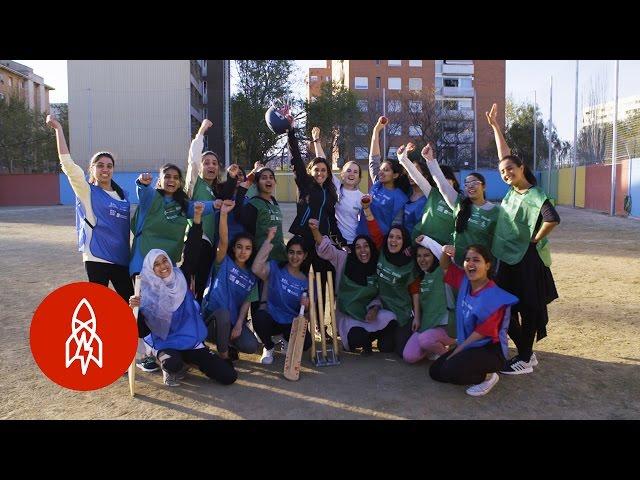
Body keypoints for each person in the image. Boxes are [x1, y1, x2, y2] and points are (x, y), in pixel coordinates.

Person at [486, 103, 560, 375]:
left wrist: (535, 239)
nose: (506, 174)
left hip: (527, 261)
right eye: (503, 173)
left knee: (527, 309)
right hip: (507, 258)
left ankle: (526, 358)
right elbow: (504, 156)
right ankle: (526, 352)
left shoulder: (534, 194)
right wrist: (495, 127)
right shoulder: (513, 190)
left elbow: (552, 218)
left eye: (511, 171)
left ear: (522, 168)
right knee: (506, 305)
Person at [46, 115, 133, 302]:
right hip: (96, 257)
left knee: (130, 302)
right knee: (98, 305)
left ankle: (139, 333)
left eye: (109, 166)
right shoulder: (86, 191)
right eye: (100, 165)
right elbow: (68, 166)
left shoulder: (123, 195)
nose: (105, 169)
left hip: (121, 258)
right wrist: (58, 130)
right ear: (92, 168)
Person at [129, 247, 237, 387]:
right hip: (165, 344)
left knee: (229, 376)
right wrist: (134, 308)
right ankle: (167, 364)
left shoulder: (181, 279)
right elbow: (142, 331)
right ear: (151, 269)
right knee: (172, 363)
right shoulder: (147, 294)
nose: (163, 266)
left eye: (164, 260)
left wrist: (197, 225)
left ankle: (189, 361)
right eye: (156, 264)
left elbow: (193, 250)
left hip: (189, 340)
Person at [429, 240, 518, 396]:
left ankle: (488, 376)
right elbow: (444, 266)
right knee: (436, 372)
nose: (470, 263)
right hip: (470, 344)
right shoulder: (465, 280)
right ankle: (464, 365)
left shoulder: (493, 296)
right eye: (467, 260)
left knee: (450, 370)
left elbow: (481, 334)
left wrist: (457, 351)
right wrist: (445, 252)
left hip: (491, 350)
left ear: (488, 265)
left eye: (476, 260)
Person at [309, 218, 396, 355]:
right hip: (349, 315)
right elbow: (326, 248)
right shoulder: (344, 259)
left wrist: (374, 308)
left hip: (369, 313)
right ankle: (365, 341)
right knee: (356, 338)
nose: (363, 250)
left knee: (391, 319)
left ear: (371, 248)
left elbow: (379, 294)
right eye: (358, 247)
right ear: (353, 249)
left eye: (366, 246)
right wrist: (315, 230)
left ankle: (378, 339)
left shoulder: (376, 265)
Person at [129, 164, 217, 278]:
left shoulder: (183, 205)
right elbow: (143, 191)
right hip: (143, 262)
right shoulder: (151, 196)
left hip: (167, 267)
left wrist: (215, 204)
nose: (172, 180)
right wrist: (142, 182)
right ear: (160, 180)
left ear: (180, 182)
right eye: (167, 176)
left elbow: (198, 206)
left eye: (176, 177)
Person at [185, 119, 237, 300]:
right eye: (206, 162)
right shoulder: (194, 184)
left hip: (209, 245)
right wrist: (202, 131)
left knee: (202, 288)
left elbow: (226, 199)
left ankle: (200, 322)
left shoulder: (216, 191)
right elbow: (192, 159)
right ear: (200, 167)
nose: (211, 166)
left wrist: (231, 177)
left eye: (214, 163)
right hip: (194, 241)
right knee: (187, 287)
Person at [202, 200, 259, 361]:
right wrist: (224, 214)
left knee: (251, 346)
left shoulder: (251, 276)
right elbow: (224, 240)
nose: (243, 251)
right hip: (210, 319)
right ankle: (224, 356)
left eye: (248, 248)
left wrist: (240, 324)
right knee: (224, 315)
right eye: (239, 247)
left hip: (231, 323)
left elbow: (246, 305)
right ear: (233, 248)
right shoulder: (223, 262)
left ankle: (227, 343)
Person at [251, 228, 312, 365]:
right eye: (291, 252)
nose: (294, 257)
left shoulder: (307, 281)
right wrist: (268, 240)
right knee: (259, 317)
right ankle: (269, 347)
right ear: (287, 253)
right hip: (271, 319)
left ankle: (285, 339)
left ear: (305, 256)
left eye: (299, 253)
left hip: (290, 324)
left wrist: (307, 307)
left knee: (306, 343)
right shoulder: (275, 268)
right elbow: (256, 268)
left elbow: (307, 316)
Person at [365, 210, 419, 357]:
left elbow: (415, 292)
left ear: (404, 241)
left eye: (398, 238)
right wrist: (367, 209)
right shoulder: (382, 250)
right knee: (385, 347)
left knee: (402, 352)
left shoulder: (409, 264)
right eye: (391, 237)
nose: (393, 241)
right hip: (385, 310)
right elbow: (374, 230)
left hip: (403, 313)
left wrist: (418, 317)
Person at [402, 236, 456, 364]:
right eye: (419, 256)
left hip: (448, 327)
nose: (422, 259)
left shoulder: (443, 271)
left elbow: (445, 257)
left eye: (427, 255)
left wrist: (426, 241)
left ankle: (450, 357)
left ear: (434, 257)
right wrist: (417, 318)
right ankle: (433, 346)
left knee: (426, 340)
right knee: (409, 356)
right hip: (428, 325)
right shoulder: (419, 277)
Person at [355, 116, 409, 238]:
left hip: (380, 241)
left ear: (395, 175)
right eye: (380, 170)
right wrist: (376, 130)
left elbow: (397, 226)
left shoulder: (400, 197)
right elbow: (374, 159)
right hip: (362, 238)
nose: (380, 172)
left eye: (386, 170)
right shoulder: (377, 184)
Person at [397, 143, 460, 245]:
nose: (442, 182)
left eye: (446, 178)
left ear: (454, 181)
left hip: (446, 251)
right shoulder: (433, 194)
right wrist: (403, 159)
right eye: (439, 179)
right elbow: (417, 177)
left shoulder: (460, 201)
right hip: (424, 246)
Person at [311, 126, 363, 246]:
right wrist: (316, 140)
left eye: (355, 172)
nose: (352, 174)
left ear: (359, 177)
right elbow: (322, 161)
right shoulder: (336, 185)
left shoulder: (362, 198)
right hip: (333, 241)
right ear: (342, 174)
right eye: (349, 170)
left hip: (353, 242)